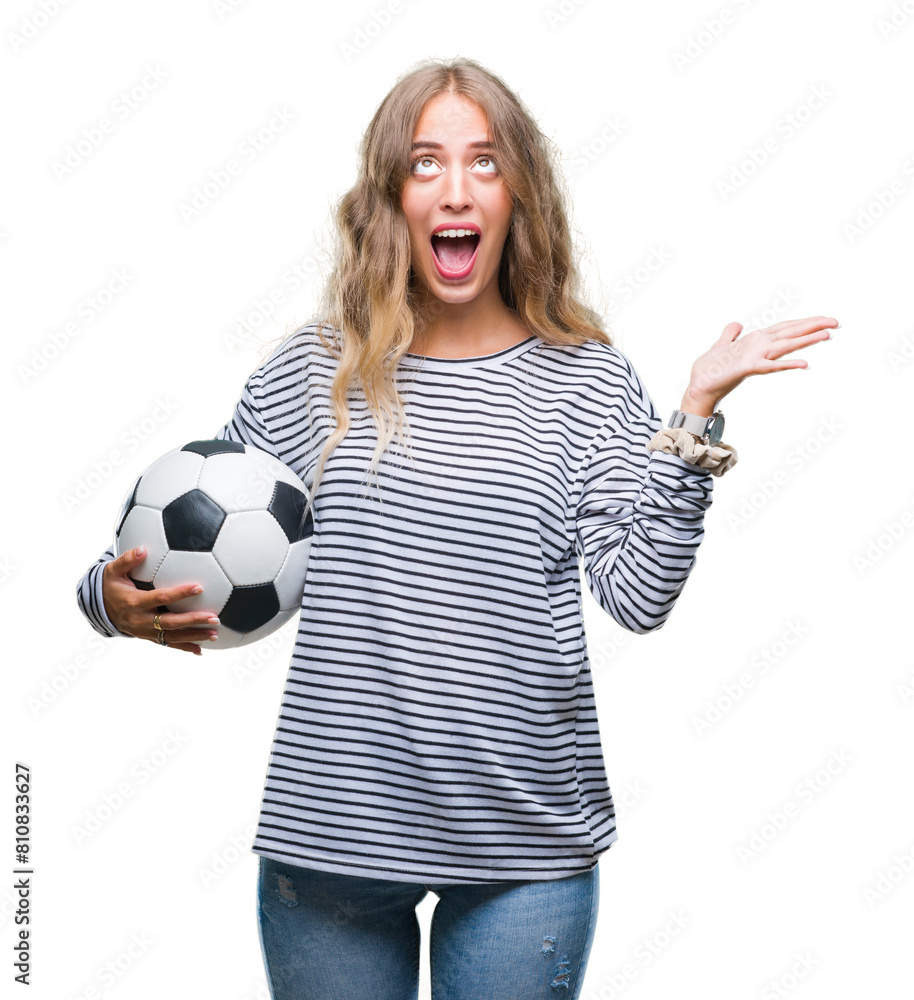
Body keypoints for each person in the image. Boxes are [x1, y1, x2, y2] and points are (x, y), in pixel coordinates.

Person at [75, 56, 837, 1000]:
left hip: (528, 851)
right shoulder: (316, 371)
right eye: (425, 162)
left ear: (519, 193)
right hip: (332, 845)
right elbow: (174, 534)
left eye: (484, 161)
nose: (455, 186)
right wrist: (106, 599)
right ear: (391, 196)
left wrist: (693, 417)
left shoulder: (586, 380)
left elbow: (638, 599)